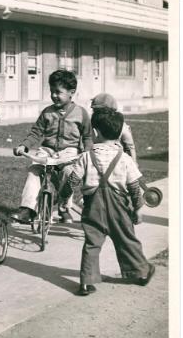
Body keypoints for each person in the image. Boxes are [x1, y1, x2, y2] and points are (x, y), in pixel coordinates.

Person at [60, 108, 155, 296]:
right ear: (119, 133)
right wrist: (137, 209)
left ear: (95, 133)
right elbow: (134, 187)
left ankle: (86, 282)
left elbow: (72, 180)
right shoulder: (125, 158)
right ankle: (141, 273)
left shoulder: (86, 156)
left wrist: (64, 198)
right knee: (127, 239)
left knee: (92, 243)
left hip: (93, 206)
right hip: (119, 207)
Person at [12, 69, 92, 223]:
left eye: (58, 92)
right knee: (34, 172)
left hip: (69, 152)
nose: (54, 95)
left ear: (71, 92)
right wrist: (24, 146)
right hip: (47, 150)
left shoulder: (81, 114)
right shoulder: (47, 112)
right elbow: (36, 133)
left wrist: (87, 153)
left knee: (69, 175)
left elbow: (87, 137)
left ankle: (64, 208)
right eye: (51, 91)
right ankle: (28, 209)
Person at [90, 93, 137, 163]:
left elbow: (129, 147)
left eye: (99, 111)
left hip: (116, 160)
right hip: (96, 158)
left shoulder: (120, 125)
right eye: (95, 110)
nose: (95, 113)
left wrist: (133, 163)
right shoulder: (92, 123)